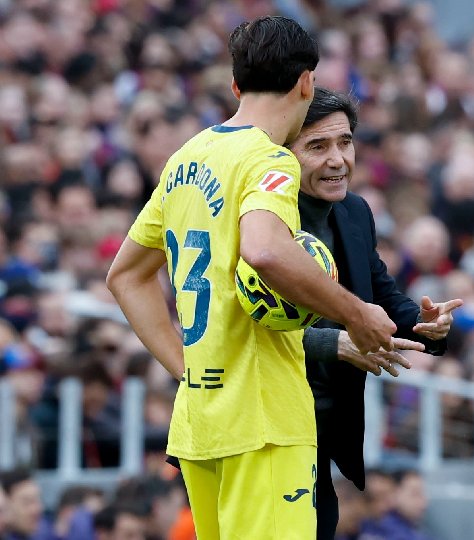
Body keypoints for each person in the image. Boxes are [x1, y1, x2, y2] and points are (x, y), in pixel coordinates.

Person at [105, 16, 399, 539]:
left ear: (235, 85)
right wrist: (357, 313)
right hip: (264, 419)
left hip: (201, 418)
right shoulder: (270, 160)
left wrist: (186, 370)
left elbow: (125, 276)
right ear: (307, 82)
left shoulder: (187, 157)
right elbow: (265, 252)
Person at [287, 88, 462, 540]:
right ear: (283, 153)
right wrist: (334, 346)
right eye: (318, 146)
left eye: (344, 142)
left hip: (325, 431)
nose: (337, 159)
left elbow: (380, 293)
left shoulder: (355, 211)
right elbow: (242, 326)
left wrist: (425, 325)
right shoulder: (264, 217)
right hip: (268, 426)